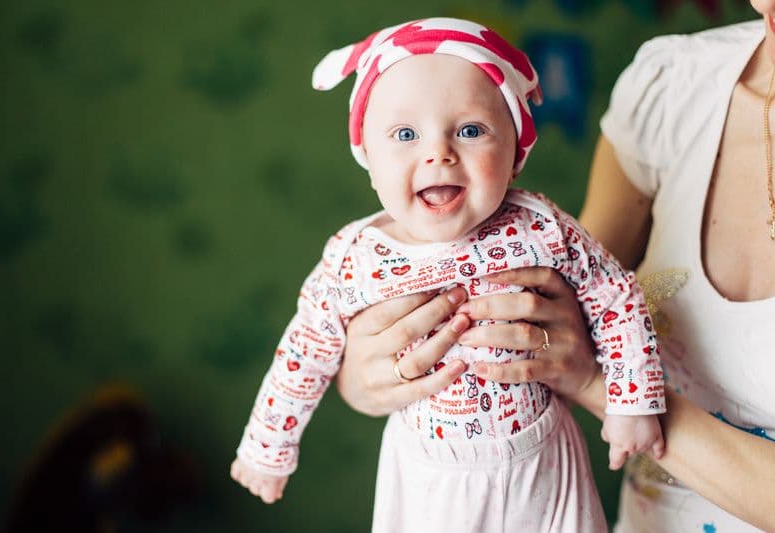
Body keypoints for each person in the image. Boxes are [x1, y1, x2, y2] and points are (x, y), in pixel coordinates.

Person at [335, 4, 775, 532]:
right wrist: (369, 373)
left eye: (471, 131)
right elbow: (571, 299)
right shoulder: (674, 86)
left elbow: (577, 345)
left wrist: (596, 380)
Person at [229, 17, 667, 532]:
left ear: (515, 155)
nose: (439, 153)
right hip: (427, 474)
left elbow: (614, 293)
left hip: (543, 458)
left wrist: (633, 399)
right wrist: (267, 449)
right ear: (368, 157)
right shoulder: (356, 257)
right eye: (406, 134)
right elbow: (303, 351)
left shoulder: (540, 228)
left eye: (470, 130)